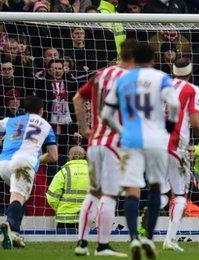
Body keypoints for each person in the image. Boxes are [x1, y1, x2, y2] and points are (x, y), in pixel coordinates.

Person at [101, 41, 180, 259]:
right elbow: (173, 104)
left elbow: (106, 114)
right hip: (156, 139)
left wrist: (122, 130)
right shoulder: (161, 77)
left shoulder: (123, 79)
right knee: (156, 187)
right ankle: (148, 238)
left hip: (131, 140)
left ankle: (134, 237)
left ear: (133, 59)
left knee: (131, 190)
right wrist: (170, 125)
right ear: (153, 59)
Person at [0, 95, 59, 250]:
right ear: (42, 111)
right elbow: (53, 156)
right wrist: (35, 159)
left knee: (20, 198)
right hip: (23, 164)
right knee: (18, 197)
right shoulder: (46, 126)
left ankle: (15, 234)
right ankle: (9, 224)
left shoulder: (10, 121)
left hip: (3, 165)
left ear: (24, 109)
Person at [71, 40, 135, 257]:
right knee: (109, 195)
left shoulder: (101, 75)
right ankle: (102, 246)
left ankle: (81, 243)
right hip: (115, 144)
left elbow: (77, 97)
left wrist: (84, 128)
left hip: (95, 142)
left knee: (93, 193)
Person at [160, 57, 199, 252]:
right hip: (176, 146)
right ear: (190, 72)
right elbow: (195, 123)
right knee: (180, 194)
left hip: (152, 144)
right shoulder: (192, 89)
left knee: (161, 190)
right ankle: (169, 239)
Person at [46, 146, 89, 230]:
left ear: (70, 156)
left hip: (65, 218)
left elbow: (51, 196)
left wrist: (59, 208)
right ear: (84, 155)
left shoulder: (63, 172)